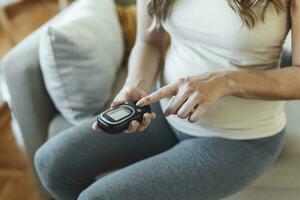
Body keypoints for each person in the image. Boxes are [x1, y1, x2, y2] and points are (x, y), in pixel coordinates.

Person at [34, 0, 300, 199]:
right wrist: (135, 86)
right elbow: (150, 41)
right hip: (166, 110)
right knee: (51, 164)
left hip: (240, 139)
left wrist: (226, 81)